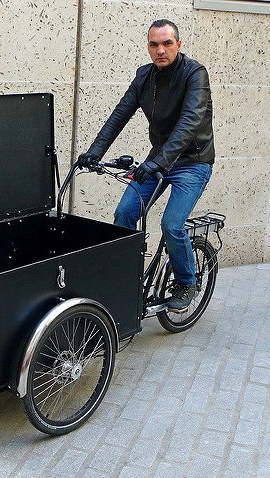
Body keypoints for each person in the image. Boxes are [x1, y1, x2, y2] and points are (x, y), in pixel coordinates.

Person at [76, 19, 214, 313]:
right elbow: (119, 115)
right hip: (158, 160)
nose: (160, 50)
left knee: (171, 224)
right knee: (124, 213)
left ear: (179, 44)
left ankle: (186, 281)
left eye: (167, 43)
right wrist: (93, 152)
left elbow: (188, 125)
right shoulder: (144, 77)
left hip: (192, 163)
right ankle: (126, 280)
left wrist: (159, 162)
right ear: (148, 47)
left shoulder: (195, 75)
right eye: (154, 44)